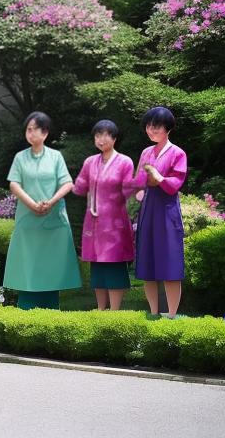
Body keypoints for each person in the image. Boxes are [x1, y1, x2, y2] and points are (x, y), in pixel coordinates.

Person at [4, 111, 81, 310]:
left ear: (45, 132)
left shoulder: (56, 157)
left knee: (51, 269)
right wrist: (32, 204)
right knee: (27, 267)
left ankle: (51, 312)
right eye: (27, 130)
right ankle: (25, 311)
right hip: (28, 221)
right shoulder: (20, 157)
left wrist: (51, 202)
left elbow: (67, 183)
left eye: (33, 129)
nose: (29, 134)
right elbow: (14, 184)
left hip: (53, 221)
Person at [72, 119, 136, 310]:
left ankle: (115, 310)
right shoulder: (90, 162)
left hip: (115, 223)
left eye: (106, 135)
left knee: (114, 265)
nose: (101, 139)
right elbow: (80, 187)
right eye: (97, 135)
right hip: (94, 222)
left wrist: (139, 183)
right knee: (97, 266)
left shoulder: (125, 162)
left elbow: (128, 190)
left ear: (114, 138)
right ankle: (100, 308)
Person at [131, 105, 187, 318]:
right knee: (148, 265)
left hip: (167, 210)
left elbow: (176, 183)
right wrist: (136, 190)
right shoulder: (146, 152)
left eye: (156, 127)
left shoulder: (177, 153)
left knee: (170, 265)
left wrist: (159, 178)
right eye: (148, 126)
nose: (151, 130)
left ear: (168, 128)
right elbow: (138, 182)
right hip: (148, 210)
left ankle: (172, 315)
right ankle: (153, 312)